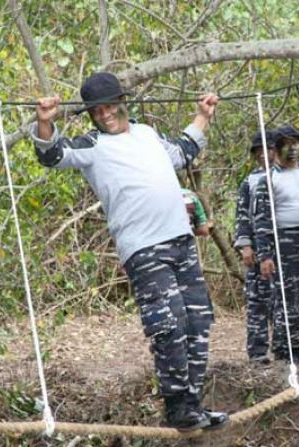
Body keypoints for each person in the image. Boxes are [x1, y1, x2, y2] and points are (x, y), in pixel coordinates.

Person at [31, 72, 226, 431]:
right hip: (144, 249)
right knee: (170, 324)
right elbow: (52, 155)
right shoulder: (91, 145)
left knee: (198, 322)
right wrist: (45, 124)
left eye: (109, 106)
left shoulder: (148, 134)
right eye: (96, 111)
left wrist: (203, 115)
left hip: (181, 241)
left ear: (123, 102)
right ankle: (177, 406)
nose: (104, 115)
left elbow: (184, 151)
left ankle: (194, 405)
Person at [254, 125, 299, 367]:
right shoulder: (269, 178)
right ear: (276, 149)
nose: (293, 148)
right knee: (288, 297)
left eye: (296, 142)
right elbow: (262, 219)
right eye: (288, 143)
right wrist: (265, 254)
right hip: (286, 241)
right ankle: (288, 349)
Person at [233, 131, 276, 365]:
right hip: (258, 250)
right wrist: (246, 246)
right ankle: (258, 351)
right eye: (258, 151)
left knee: (284, 301)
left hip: (287, 248)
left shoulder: (286, 176)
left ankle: (287, 349)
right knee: (257, 301)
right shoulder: (249, 181)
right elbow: (242, 216)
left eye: (267, 149)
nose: (263, 155)